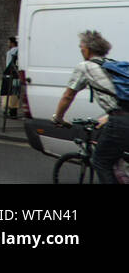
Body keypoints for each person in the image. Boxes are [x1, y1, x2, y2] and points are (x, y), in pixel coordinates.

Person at [52, 30, 129, 185]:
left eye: (81, 47)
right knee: (116, 156)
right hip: (121, 118)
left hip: (120, 122)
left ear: (87, 49)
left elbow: (68, 96)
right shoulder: (112, 65)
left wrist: (58, 117)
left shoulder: (85, 67)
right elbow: (121, 99)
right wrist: (108, 117)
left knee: (100, 161)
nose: (80, 50)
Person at [2, 36, 20, 118]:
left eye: (8, 42)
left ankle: (10, 110)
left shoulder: (12, 51)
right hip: (16, 74)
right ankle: (13, 111)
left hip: (11, 74)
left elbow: (10, 63)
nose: (7, 44)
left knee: (10, 93)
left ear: (12, 43)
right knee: (14, 93)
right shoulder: (18, 50)